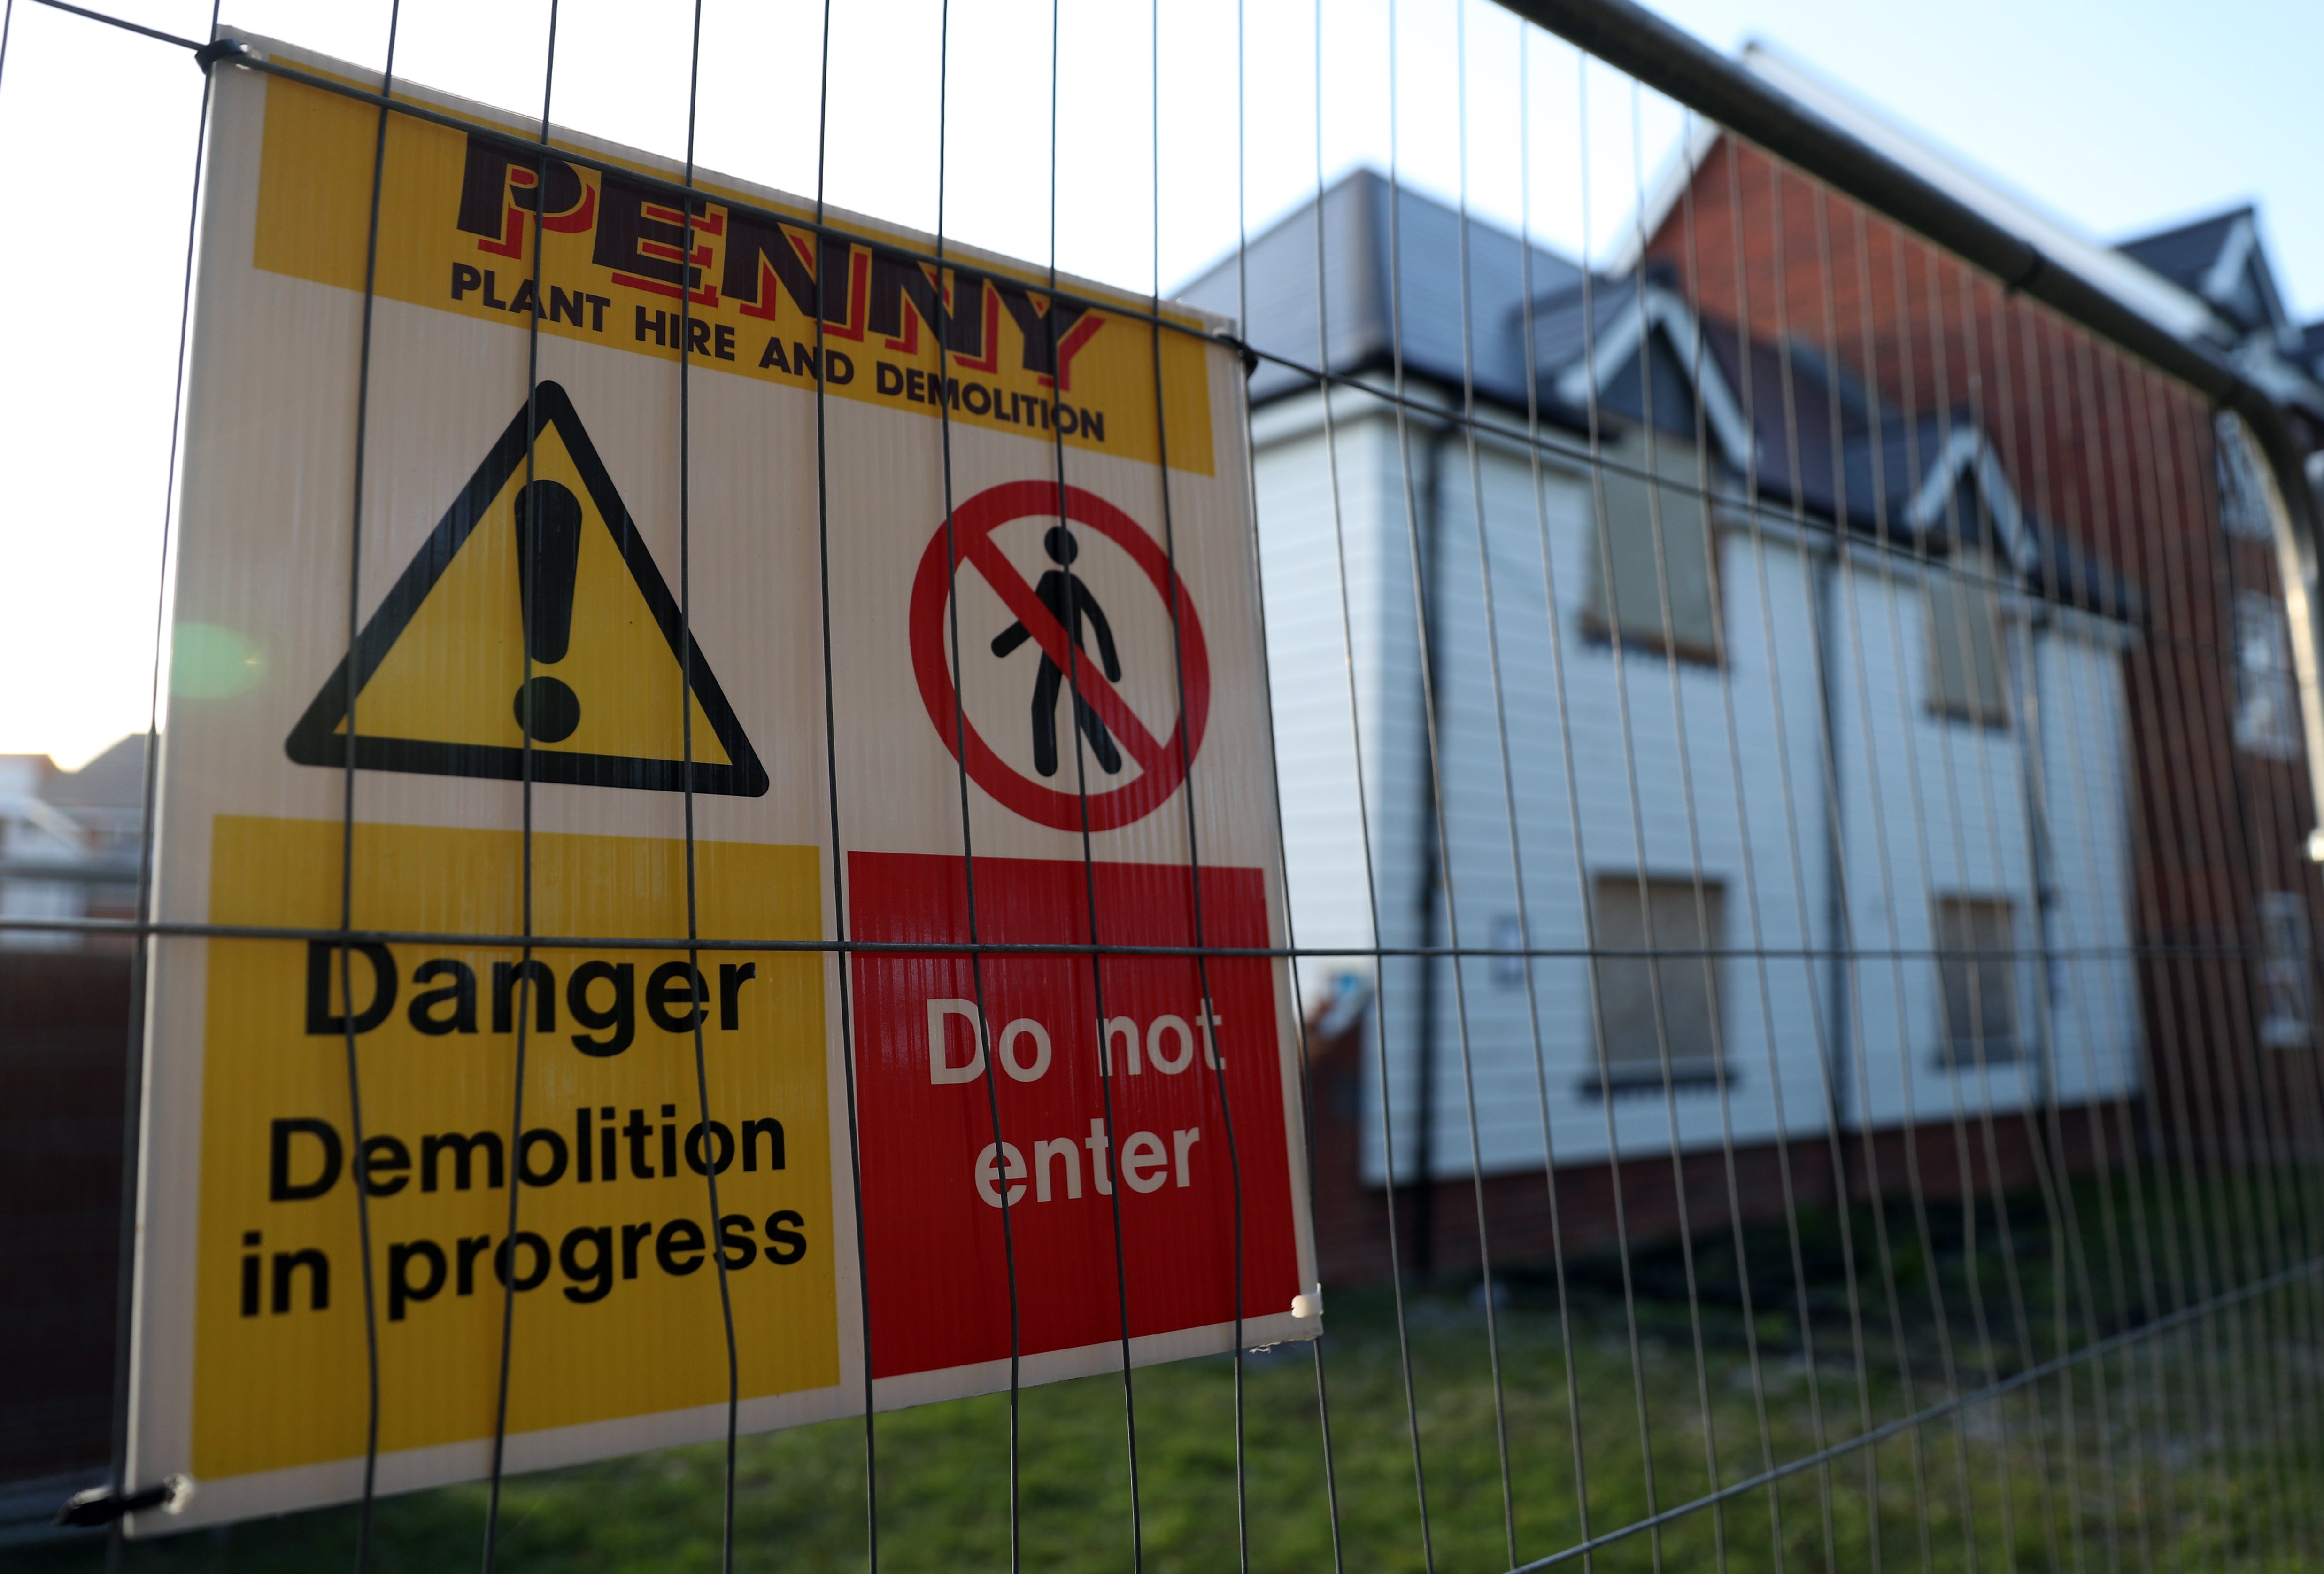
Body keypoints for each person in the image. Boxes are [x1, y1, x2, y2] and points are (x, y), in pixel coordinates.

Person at [990, 525, 1123, 778]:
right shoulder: (1063, 581)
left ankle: (1102, 761)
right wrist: (1111, 667)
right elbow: (1095, 622)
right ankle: (1058, 765)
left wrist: (1004, 645)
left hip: (1063, 653)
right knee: (1057, 706)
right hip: (1061, 653)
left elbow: (1034, 619)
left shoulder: (1059, 581)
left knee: (1051, 706)